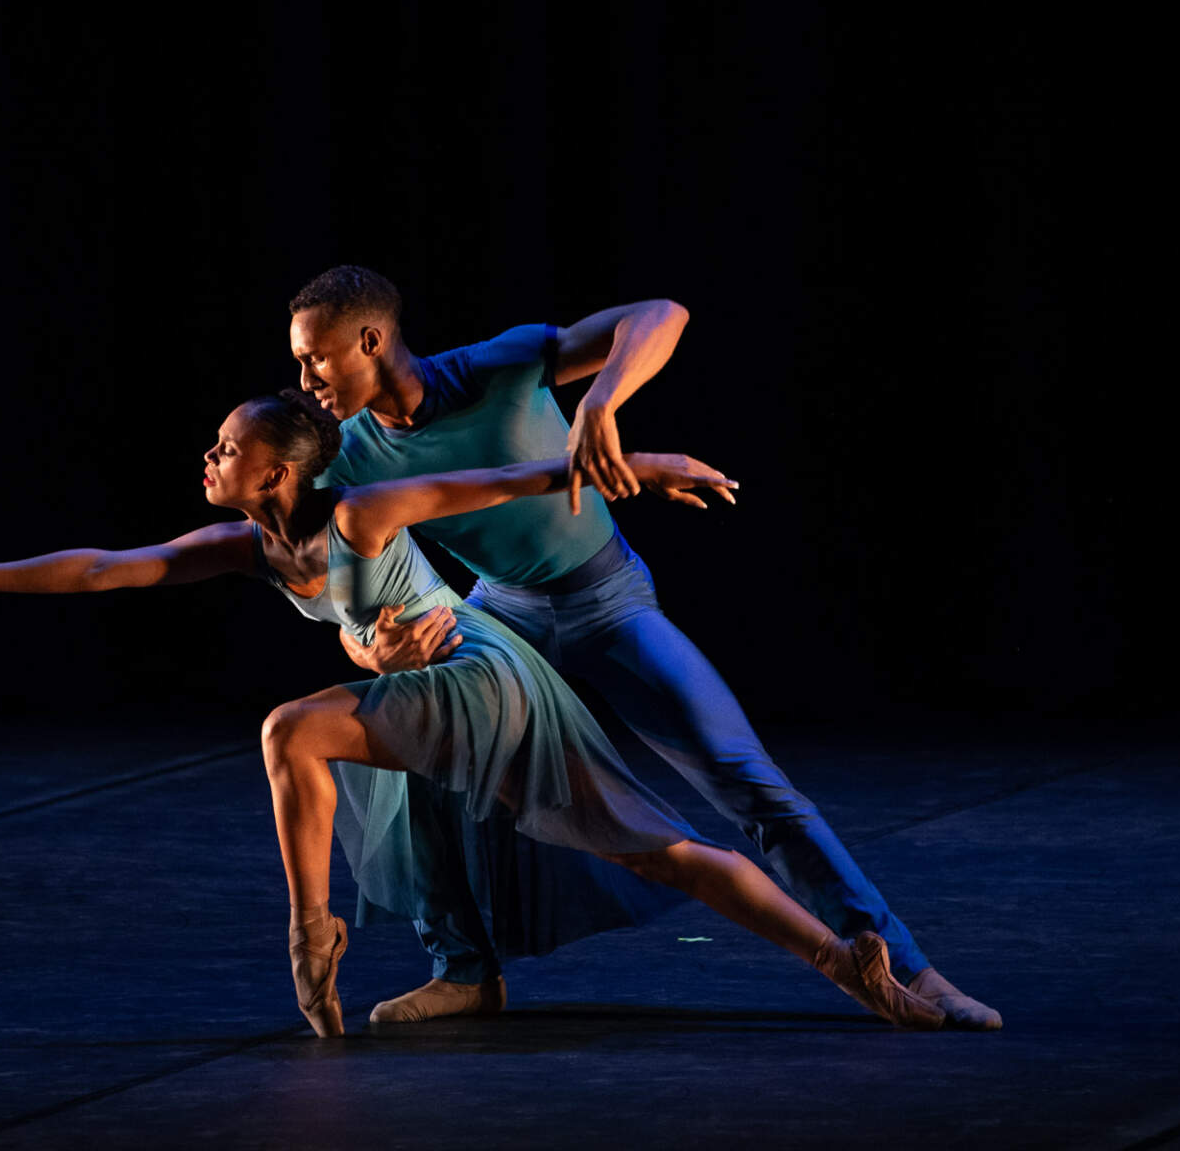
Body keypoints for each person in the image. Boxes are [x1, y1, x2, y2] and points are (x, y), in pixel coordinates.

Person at [0, 391, 946, 1037]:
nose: (207, 457)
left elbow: (502, 478)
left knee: (295, 730)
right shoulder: (255, 546)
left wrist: (643, 464)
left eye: (225, 445)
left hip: (480, 672)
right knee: (643, 843)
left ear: (279, 467)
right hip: (439, 688)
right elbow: (110, 570)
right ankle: (839, 963)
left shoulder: (357, 507)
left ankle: (313, 934)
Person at [290, 266, 1002, 1031]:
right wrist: (370, 652)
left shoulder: (495, 367)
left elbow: (661, 313)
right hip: (500, 620)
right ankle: (464, 969)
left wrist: (601, 398)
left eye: (316, 357)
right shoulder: (348, 456)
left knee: (746, 777)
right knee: (417, 748)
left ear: (371, 339)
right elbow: (338, 588)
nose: (304, 380)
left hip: (607, 606)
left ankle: (904, 968)